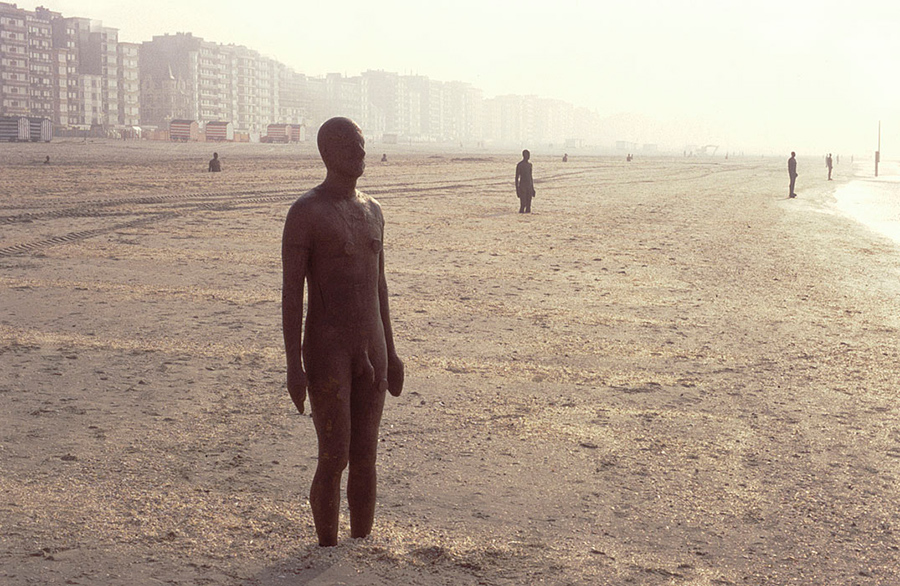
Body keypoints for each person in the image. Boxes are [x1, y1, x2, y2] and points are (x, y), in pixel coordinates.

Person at [281, 117, 404, 547]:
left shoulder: (374, 210)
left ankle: (362, 542)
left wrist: (391, 350)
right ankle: (327, 547)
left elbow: (380, 285)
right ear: (330, 153)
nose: (362, 152)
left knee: (366, 457)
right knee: (334, 455)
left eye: (363, 144)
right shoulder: (306, 213)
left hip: (371, 345)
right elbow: (292, 294)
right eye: (353, 145)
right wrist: (294, 366)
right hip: (327, 347)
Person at [515, 149, 535, 213]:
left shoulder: (529, 165)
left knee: (528, 206)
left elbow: (530, 177)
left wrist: (532, 188)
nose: (528, 156)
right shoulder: (520, 165)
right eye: (527, 155)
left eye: (529, 155)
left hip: (529, 186)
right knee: (523, 205)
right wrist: (517, 189)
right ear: (523, 155)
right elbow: (516, 178)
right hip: (522, 186)